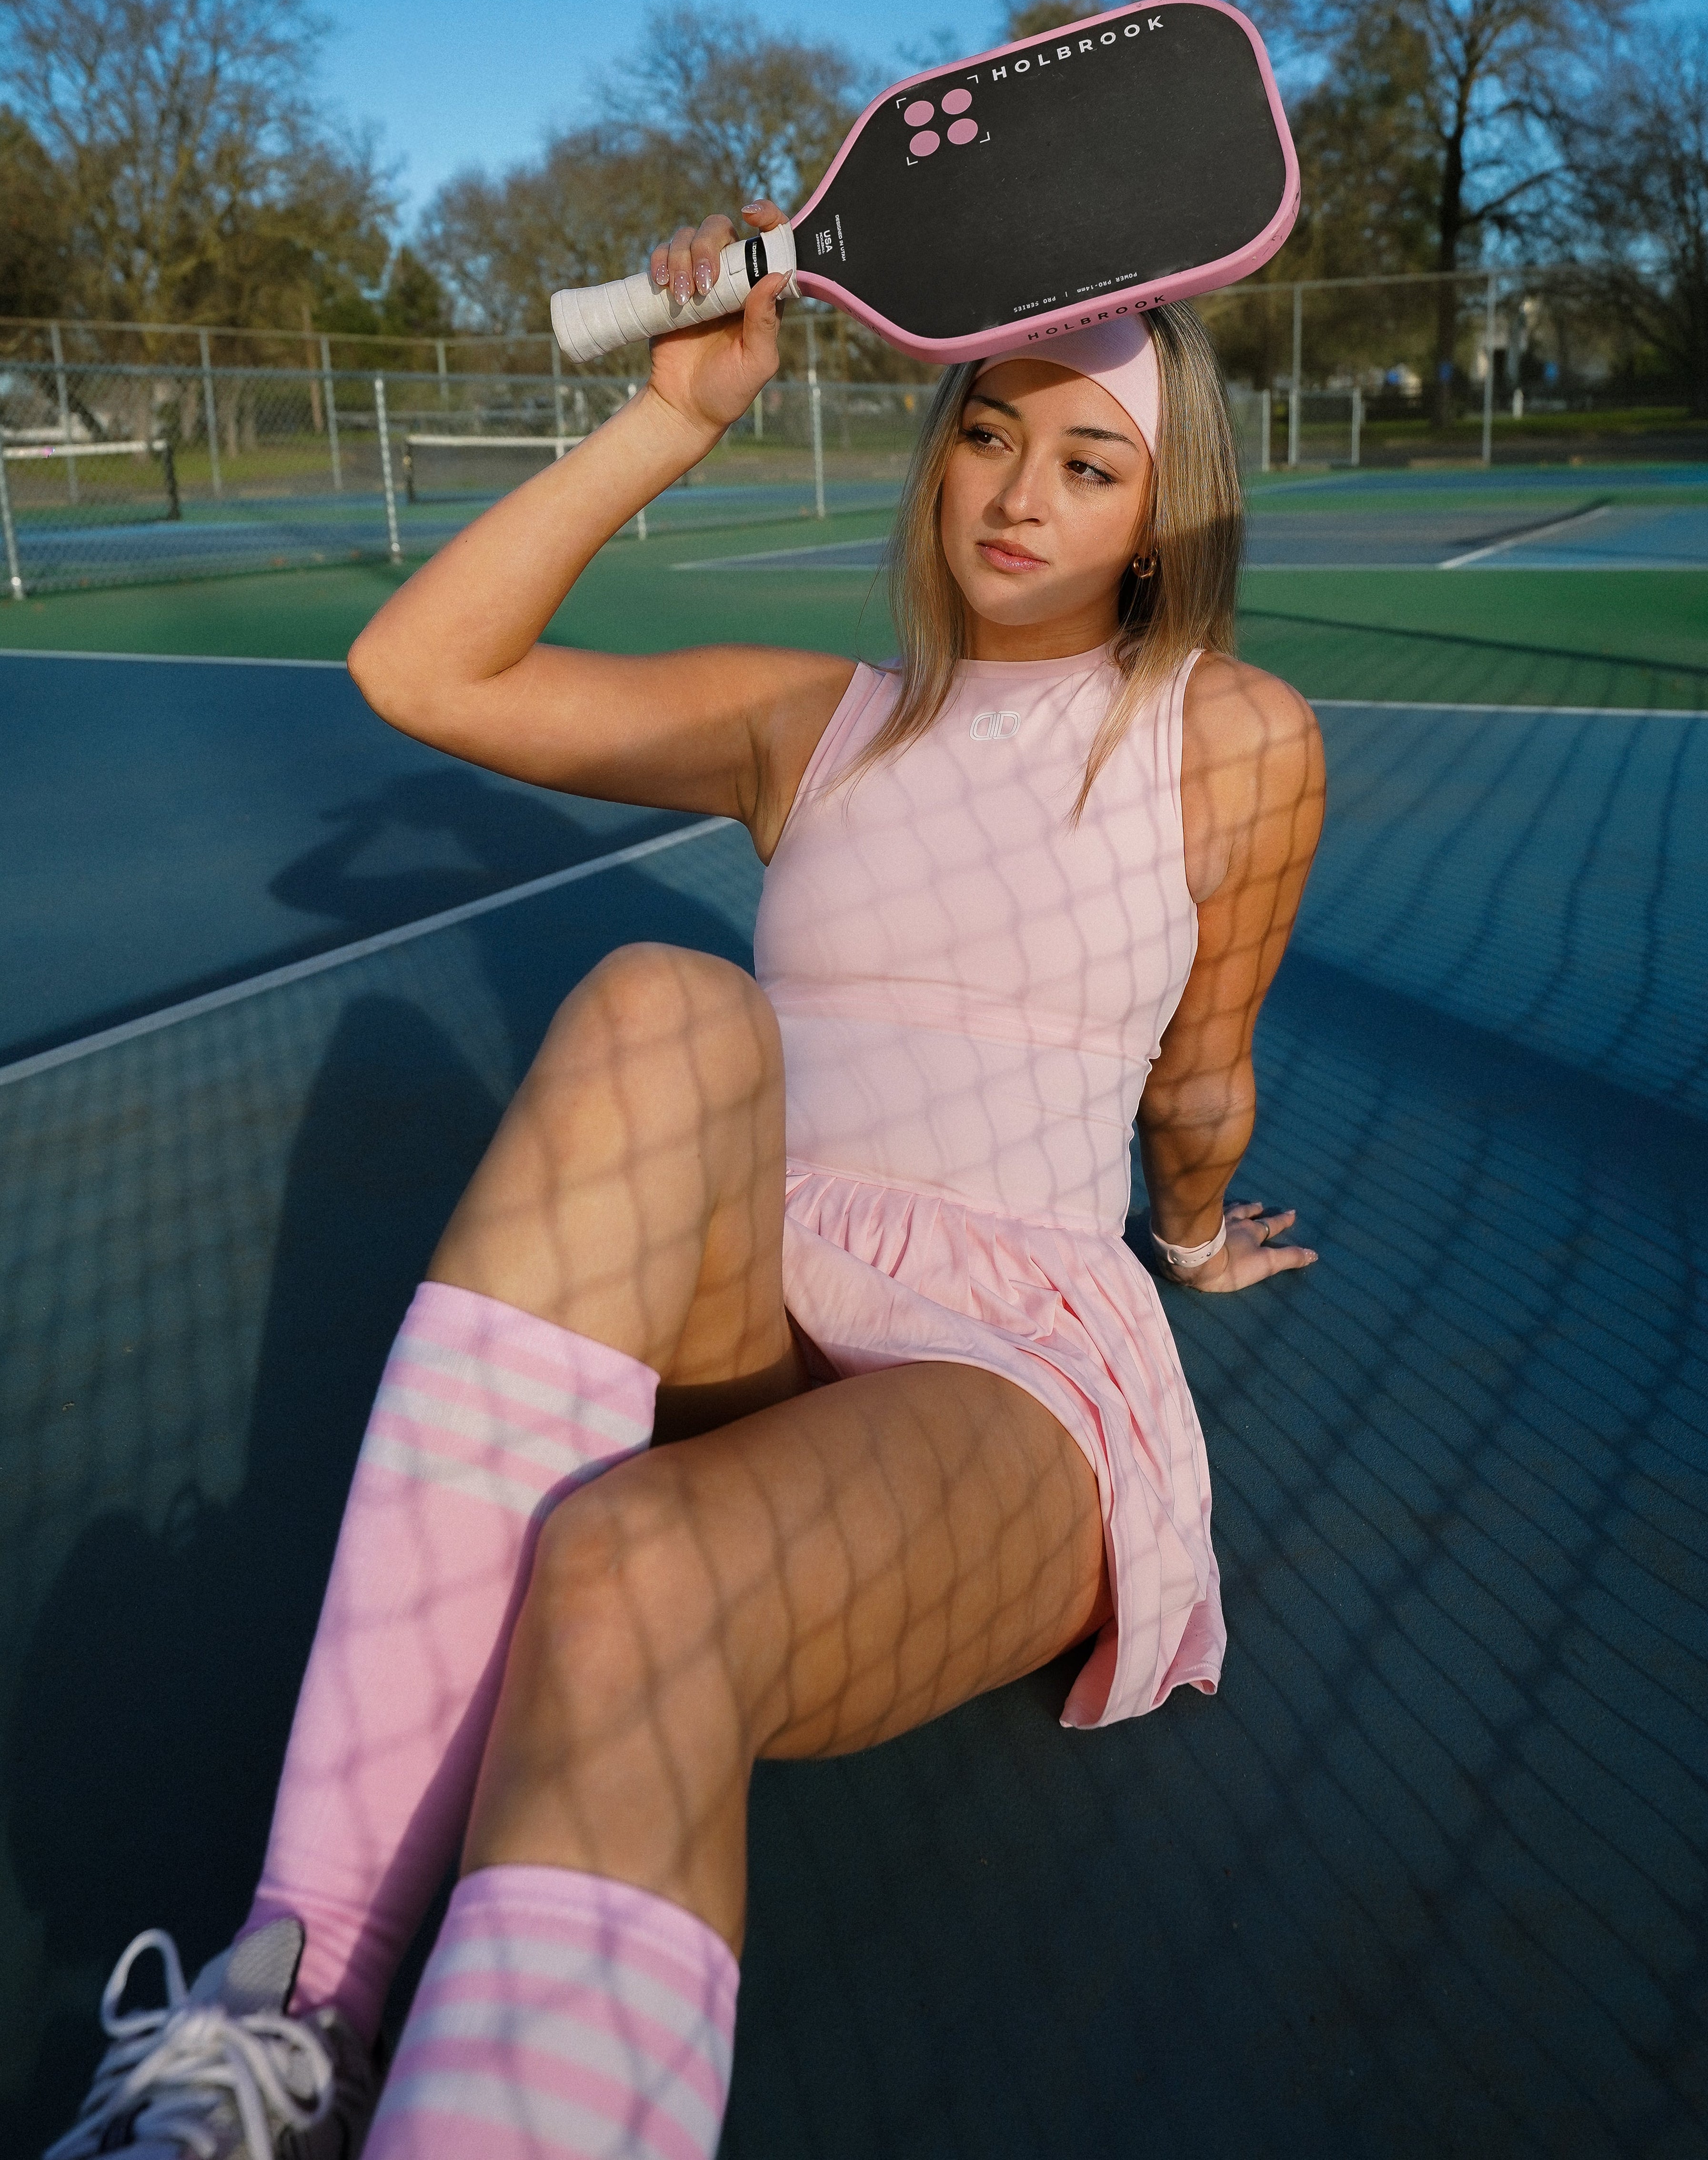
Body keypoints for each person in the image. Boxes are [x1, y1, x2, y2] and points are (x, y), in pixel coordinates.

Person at [50, 198, 1324, 2160]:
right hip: (749, 1304)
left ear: (1163, 517)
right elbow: (419, 669)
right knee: (662, 999)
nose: (1017, 496)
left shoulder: (1231, 736)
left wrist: (1192, 1236)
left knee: (635, 1567)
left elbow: (1204, 1074)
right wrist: (676, 414)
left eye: (1090, 465)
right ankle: (294, 2003)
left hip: (1003, 1367)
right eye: (988, 433)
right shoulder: (806, 720)